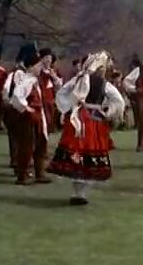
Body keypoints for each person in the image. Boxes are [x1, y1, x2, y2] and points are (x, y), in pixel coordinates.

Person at [48, 51, 125, 205]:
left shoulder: (78, 79)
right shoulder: (104, 84)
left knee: (77, 154)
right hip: (93, 122)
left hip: (77, 120)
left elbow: (62, 92)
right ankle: (81, 193)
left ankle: (77, 192)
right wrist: (108, 112)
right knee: (89, 156)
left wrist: (69, 106)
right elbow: (119, 101)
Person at [10, 45, 52, 185]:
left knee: (40, 146)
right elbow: (16, 97)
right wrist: (26, 108)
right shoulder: (26, 81)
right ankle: (22, 175)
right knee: (27, 147)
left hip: (38, 119)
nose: (40, 68)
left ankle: (40, 173)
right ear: (30, 67)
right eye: (37, 66)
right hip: (28, 120)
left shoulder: (36, 81)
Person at [2, 50, 27, 172]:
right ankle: (15, 160)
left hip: (22, 108)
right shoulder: (13, 75)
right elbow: (6, 90)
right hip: (15, 109)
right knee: (15, 136)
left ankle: (20, 160)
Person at [38, 48, 63, 134]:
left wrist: (54, 77)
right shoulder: (38, 71)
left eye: (50, 58)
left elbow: (59, 85)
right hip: (40, 99)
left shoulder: (53, 71)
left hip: (50, 100)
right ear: (41, 59)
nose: (48, 60)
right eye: (46, 58)